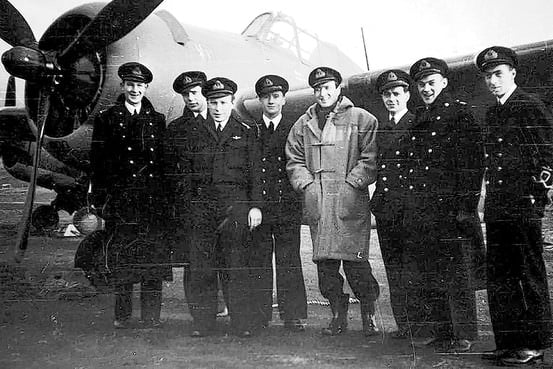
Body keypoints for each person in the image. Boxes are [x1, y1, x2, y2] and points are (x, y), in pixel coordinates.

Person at [286, 66, 380, 337]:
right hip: (319, 203)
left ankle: (369, 314)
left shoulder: (363, 119)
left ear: (339, 89)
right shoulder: (303, 124)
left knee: (356, 264)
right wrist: (307, 185)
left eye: (328, 87)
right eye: (318, 88)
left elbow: (369, 158)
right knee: (326, 268)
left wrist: (352, 184)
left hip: (350, 203)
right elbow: (294, 159)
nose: (323, 93)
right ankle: (338, 315)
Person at [476, 46, 553, 365]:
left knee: (527, 273)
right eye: (488, 76)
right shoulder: (493, 113)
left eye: (498, 74)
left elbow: (549, 154)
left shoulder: (528, 105)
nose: (493, 81)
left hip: (523, 205)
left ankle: (534, 343)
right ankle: (508, 342)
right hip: (498, 207)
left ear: (513, 74)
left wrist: (537, 197)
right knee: (501, 276)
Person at [402, 57, 484, 352]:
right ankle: (443, 330)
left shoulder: (460, 114)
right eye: (421, 84)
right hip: (426, 211)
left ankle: (463, 334)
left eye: (431, 83)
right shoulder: (421, 117)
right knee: (432, 271)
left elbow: (473, 167)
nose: (425, 88)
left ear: (445, 82)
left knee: (457, 273)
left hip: (452, 210)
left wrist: (464, 208)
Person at [90, 62, 172, 328]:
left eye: (140, 85)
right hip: (122, 202)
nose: (135, 89)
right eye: (130, 84)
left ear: (146, 87)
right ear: (123, 86)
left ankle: (151, 316)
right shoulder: (107, 118)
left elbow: (163, 164)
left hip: (151, 203)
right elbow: (98, 162)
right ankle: (122, 316)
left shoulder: (157, 120)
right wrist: (100, 200)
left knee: (153, 262)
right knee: (122, 260)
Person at [185, 77, 262, 338]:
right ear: (207, 103)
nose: (218, 107)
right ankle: (203, 323)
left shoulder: (245, 130)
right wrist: (188, 209)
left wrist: (256, 207)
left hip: (236, 208)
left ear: (231, 103)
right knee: (202, 268)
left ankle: (241, 323)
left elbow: (255, 174)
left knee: (236, 267)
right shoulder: (194, 132)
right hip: (202, 209)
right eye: (213, 102)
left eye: (223, 102)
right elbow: (185, 174)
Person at [249, 75, 307, 332]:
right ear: (259, 100)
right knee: (259, 260)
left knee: (289, 259)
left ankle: (292, 314)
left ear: (284, 98)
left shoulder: (296, 129)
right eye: (266, 96)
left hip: (287, 206)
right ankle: (259, 314)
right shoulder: (251, 130)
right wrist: (254, 205)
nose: (271, 100)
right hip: (260, 207)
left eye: (276, 96)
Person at [371, 69, 419, 339]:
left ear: (407, 95)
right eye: (387, 94)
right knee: (394, 269)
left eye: (396, 94)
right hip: (388, 208)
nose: (391, 99)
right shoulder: (382, 128)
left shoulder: (415, 123)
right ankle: (404, 324)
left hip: (409, 209)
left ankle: (419, 324)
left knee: (412, 268)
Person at [165, 71, 208, 302]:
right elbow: (170, 171)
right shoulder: (175, 129)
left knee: (219, 259)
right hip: (189, 206)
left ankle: (223, 305)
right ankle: (198, 313)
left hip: (216, 205)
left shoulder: (218, 122)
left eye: (194, 92)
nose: (190, 98)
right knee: (192, 261)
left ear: (203, 92)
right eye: (185, 94)